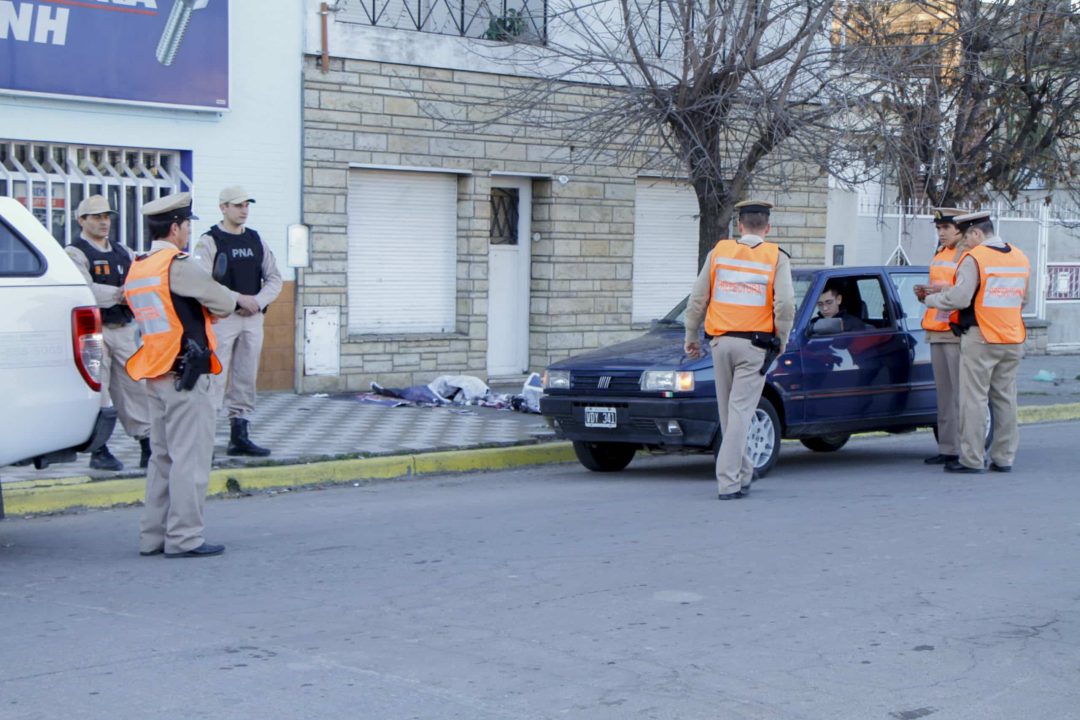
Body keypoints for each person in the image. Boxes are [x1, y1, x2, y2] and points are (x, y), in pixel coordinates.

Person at [124, 192, 260, 558]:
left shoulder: (140, 265)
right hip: (187, 372)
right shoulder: (177, 264)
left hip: (155, 372)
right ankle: (185, 538)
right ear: (175, 227)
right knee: (190, 459)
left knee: (162, 459)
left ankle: (152, 537)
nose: (188, 231)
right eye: (186, 225)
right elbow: (221, 301)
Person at [684, 200, 796, 500]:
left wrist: (690, 335)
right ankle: (728, 482)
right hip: (754, 346)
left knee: (728, 413)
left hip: (720, 343)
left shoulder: (719, 252)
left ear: (740, 225)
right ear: (767, 228)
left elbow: (697, 298)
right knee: (741, 413)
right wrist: (782, 338)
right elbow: (785, 304)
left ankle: (744, 472)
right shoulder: (776, 257)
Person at [918, 211, 1029, 474]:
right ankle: (1004, 458)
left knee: (973, 399)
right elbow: (1024, 300)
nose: (964, 244)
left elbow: (960, 298)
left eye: (966, 237)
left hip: (981, 336)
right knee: (1005, 399)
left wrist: (929, 301)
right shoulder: (1019, 256)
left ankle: (972, 459)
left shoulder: (975, 257)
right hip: (1012, 336)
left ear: (977, 233)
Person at [192, 186, 282, 457]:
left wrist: (257, 301)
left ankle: (239, 435)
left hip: (252, 319)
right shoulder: (209, 240)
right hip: (223, 319)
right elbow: (202, 282)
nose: (243, 210)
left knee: (246, 376)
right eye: (237, 205)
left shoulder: (256, 239)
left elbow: (275, 277)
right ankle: (203, 438)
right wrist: (238, 299)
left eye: (246, 205)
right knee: (214, 378)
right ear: (223, 208)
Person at [64, 195, 152, 471]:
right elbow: (84, 289)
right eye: (97, 217)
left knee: (135, 388)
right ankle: (99, 449)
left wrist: (131, 293)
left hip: (125, 329)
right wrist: (119, 294)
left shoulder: (122, 251)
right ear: (82, 220)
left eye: (107, 217)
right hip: (93, 332)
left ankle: (147, 446)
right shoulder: (74, 252)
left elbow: (140, 279)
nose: (104, 222)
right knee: (98, 391)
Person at [916, 207, 969, 465]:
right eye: (938, 229)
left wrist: (936, 289)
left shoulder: (966, 254)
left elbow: (964, 290)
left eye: (945, 228)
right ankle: (948, 448)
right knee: (944, 395)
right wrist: (924, 293)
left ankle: (964, 450)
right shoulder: (940, 253)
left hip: (955, 330)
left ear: (959, 229)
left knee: (960, 395)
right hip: (936, 329)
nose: (941, 233)